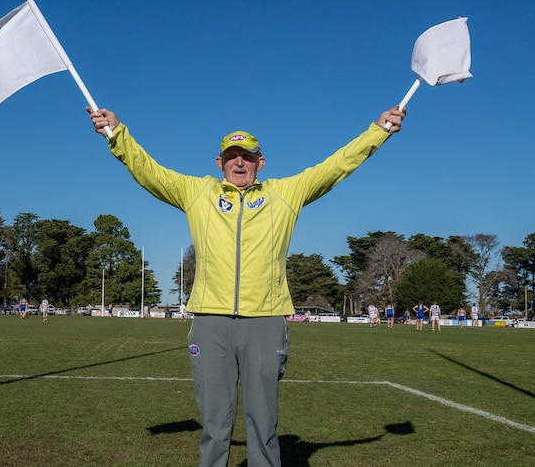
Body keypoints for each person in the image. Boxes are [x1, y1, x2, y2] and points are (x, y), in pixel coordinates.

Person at [88, 103, 405, 467]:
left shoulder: (286, 193)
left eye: (248, 156)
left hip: (266, 322)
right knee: (215, 425)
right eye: (232, 156)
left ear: (261, 162)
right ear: (219, 162)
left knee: (263, 424)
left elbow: (336, 166)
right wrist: (117, 135)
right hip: (211, 322)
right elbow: (149, 172)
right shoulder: (197, 192)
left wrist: (377, 132)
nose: (240, 163)